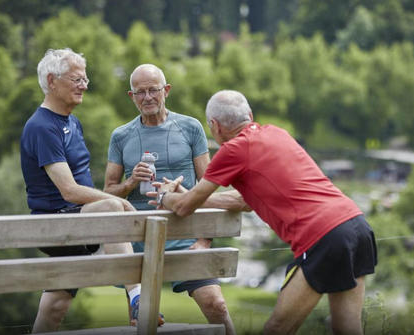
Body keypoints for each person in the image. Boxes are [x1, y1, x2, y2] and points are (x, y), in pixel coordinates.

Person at [153, 90, 378, 335]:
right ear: (249, 115)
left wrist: (165, 196)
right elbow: (246, 201)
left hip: (324, 236)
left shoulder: (232, 150)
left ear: (214, 126)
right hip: (356, 225)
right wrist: (191, 198)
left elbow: (184, 207)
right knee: (346, 327)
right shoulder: (276, 133)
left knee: (277, 328)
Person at [103, 64, 236, 334]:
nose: (148, 97)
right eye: (140, 92)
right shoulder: (121, 136)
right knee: (142, 322)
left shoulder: (190, 127)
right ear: (131, 96)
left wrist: (203, 241)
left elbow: (207, 185)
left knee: (216, 305)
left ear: (166, 91)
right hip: (138, 237)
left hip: (185, 234)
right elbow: (107, 192)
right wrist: (130, 182)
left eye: (153, 90)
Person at [20, 48, 143, 333]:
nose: (84, 85)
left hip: (78, 221)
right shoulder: (42, 126)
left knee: (55, 308)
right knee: (112, 208)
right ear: (52, 81)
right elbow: (69, 191)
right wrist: (117, 201)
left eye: (85, 79)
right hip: (58, 223)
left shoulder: (72, 122)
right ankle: (138, 297)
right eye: (77, 79)